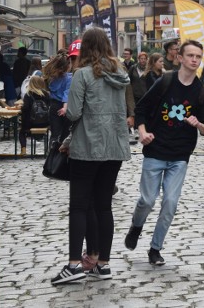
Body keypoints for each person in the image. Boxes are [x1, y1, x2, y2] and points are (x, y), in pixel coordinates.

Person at [50, 27, 131, 285]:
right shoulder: (121, 73)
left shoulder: (82, 75)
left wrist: (67, 106)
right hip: (114, 147)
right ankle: (103, 264)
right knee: (104, 206)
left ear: (84, 48)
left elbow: (73, 113)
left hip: (87, 147)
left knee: (79, 206)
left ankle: (74, 263)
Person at [125, 40, 204, 266]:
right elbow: (141, 109)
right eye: (190, 55)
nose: (194, 59)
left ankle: (155, 248)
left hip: (179, 155)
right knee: (147, 200)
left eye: (198, 56)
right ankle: (136, 226)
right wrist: (143, 132)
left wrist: (199, 125)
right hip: (155, 150)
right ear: (180, 58)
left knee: (171, 203)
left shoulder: (201, 91)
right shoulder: (165, 81)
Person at [43, 51, 72, 144]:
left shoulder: (51, 78)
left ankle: (52, 154)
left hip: (53, 106)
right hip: (64, 107)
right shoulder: (69, 78)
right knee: (66, 134)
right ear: (67, 66)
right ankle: (62, 156)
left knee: (55, 134)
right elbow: (66, 94)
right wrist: (65, 107)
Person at [18, 75, 50, 155]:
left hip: (31, 124)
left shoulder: (28, 95)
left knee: (22, 132)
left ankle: (23, 149)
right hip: (45, 123)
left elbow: (25, 109)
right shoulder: (46, 94)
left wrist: (21, 108)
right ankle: (47, 149)